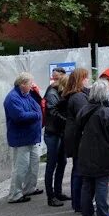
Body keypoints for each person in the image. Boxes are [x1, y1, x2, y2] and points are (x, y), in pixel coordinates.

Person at [76, 80, 109, 216]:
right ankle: (103, 214)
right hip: (103, 154)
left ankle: (86, 213)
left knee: (87, 184)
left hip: (85, 152)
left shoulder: (83, 110)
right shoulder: (107, 113)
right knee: (101, 183)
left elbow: (77, 133)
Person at [3, 72, 43, 204]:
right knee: (21, 167)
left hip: (31, 137)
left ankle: (29, 188)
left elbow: (37, 106)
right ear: (22, 84)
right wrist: (36, 115)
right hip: (21, 138)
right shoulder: (12, 98)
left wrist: (36, 95)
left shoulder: (26, 95)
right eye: (30, 83)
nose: (32, 86)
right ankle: (15, 193)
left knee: (33, 164)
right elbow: (19, 116)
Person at [62, 67, 91, 213]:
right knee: (79, 170)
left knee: (77, 169)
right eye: (85, 78)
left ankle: (77, 202)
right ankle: (78, 202)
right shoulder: (78, 97)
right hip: (78, 138)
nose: (88, 80)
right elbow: (85, 117)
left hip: (75, 137)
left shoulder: (76, 96)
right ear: (80, 80)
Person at [43, 70, 70, 206]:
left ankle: (58, 192)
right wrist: (68, 121)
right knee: (51, 165)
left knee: (62, 162)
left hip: (59, 132)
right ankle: (50, 196)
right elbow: (53, 112)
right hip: (52, 133)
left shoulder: (57, 93)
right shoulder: (52, 93)